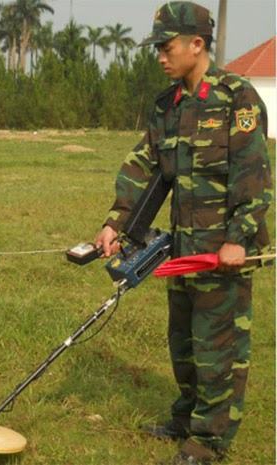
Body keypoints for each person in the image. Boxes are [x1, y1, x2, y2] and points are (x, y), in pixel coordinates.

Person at [94, 2, 272, 464]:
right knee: (185, 343)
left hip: (223, 253)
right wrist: (116, 221)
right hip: (179, 249)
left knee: (219, 348)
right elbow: (143, 166)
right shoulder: (166, 106)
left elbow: (251, 175)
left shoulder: (237, 97)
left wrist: (239, 237)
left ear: (197, 44)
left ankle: (209, 441)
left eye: (166, 47)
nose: (159, 56)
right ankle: (187, 416)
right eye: (157, 47)